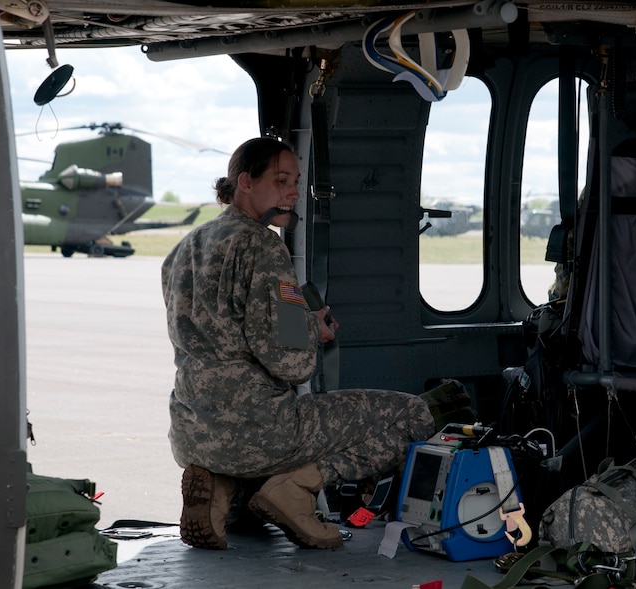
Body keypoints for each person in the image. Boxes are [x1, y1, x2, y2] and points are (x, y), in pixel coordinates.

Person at [161, 136, 435, 551]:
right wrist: (312, 331)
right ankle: (294, 489)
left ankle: (222, 486)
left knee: (246, 481)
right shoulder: (263, 246)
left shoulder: (185, 248)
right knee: (413, 414)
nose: (292, 192)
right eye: (282, 179)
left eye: (296, 181)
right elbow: (291, 364)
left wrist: (300, 321)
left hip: (194, 430)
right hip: (259, 430)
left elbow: (224, 329)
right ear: (245, 183)